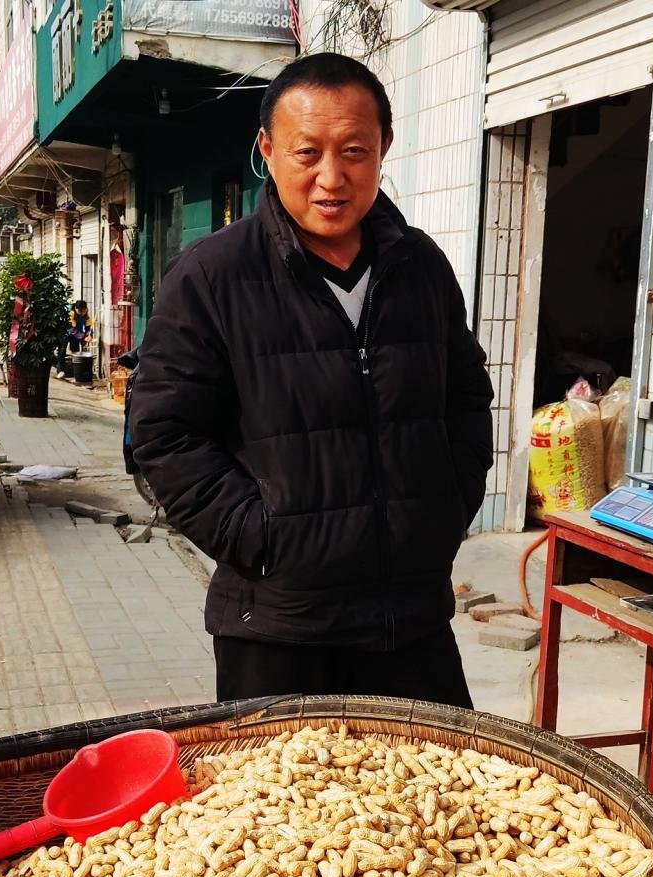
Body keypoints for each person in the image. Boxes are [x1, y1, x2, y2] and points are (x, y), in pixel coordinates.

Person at [129, 53, 495, 708]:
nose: (332, 177)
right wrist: (264, 538)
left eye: (354, 151)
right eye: (308, 152)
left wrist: (444, 509)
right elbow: (164, 435)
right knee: (289, 780)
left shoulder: (420, 268)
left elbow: (466, 399)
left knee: (436, 776)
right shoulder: (212, 277)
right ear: (268, 151)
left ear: (383, 147)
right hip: (278, 626)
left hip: (411, 622)